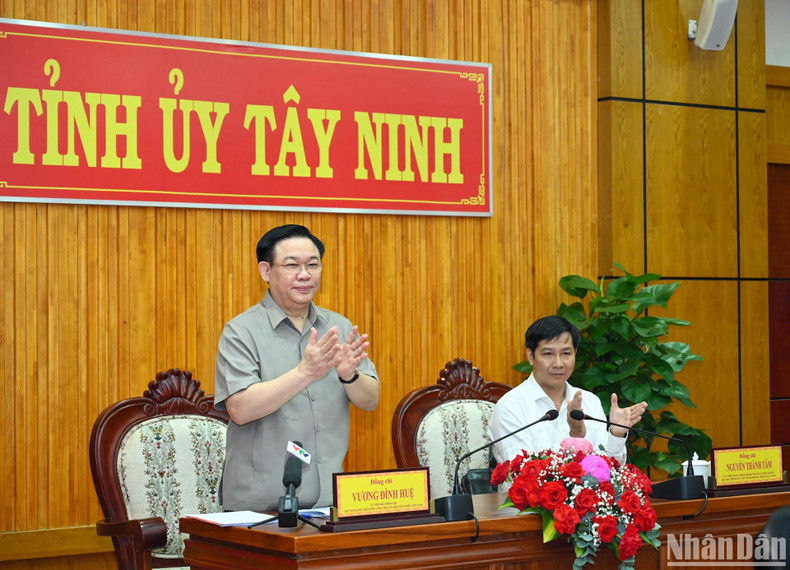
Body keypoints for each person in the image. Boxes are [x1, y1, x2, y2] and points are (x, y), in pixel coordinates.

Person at [214, 224, 380, 511]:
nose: (305, 275)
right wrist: (304, 373)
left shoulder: (337, 327)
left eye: (313, 265)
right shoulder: (241, 331)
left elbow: (370, 400)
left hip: (331, 500)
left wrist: (348, 375)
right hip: (261, 505)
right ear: (266, 271)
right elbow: (240, 409)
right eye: (292, 265)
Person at [488, 315, 647, 466]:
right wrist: (574, 438)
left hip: (587, 495)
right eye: (548, 354)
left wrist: (616, 434)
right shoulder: (510, 406)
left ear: (575, 354)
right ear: (530, 356)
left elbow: (608, 472)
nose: (558, 363)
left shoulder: (589, 402)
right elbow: (521, 472)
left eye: (566, 353)